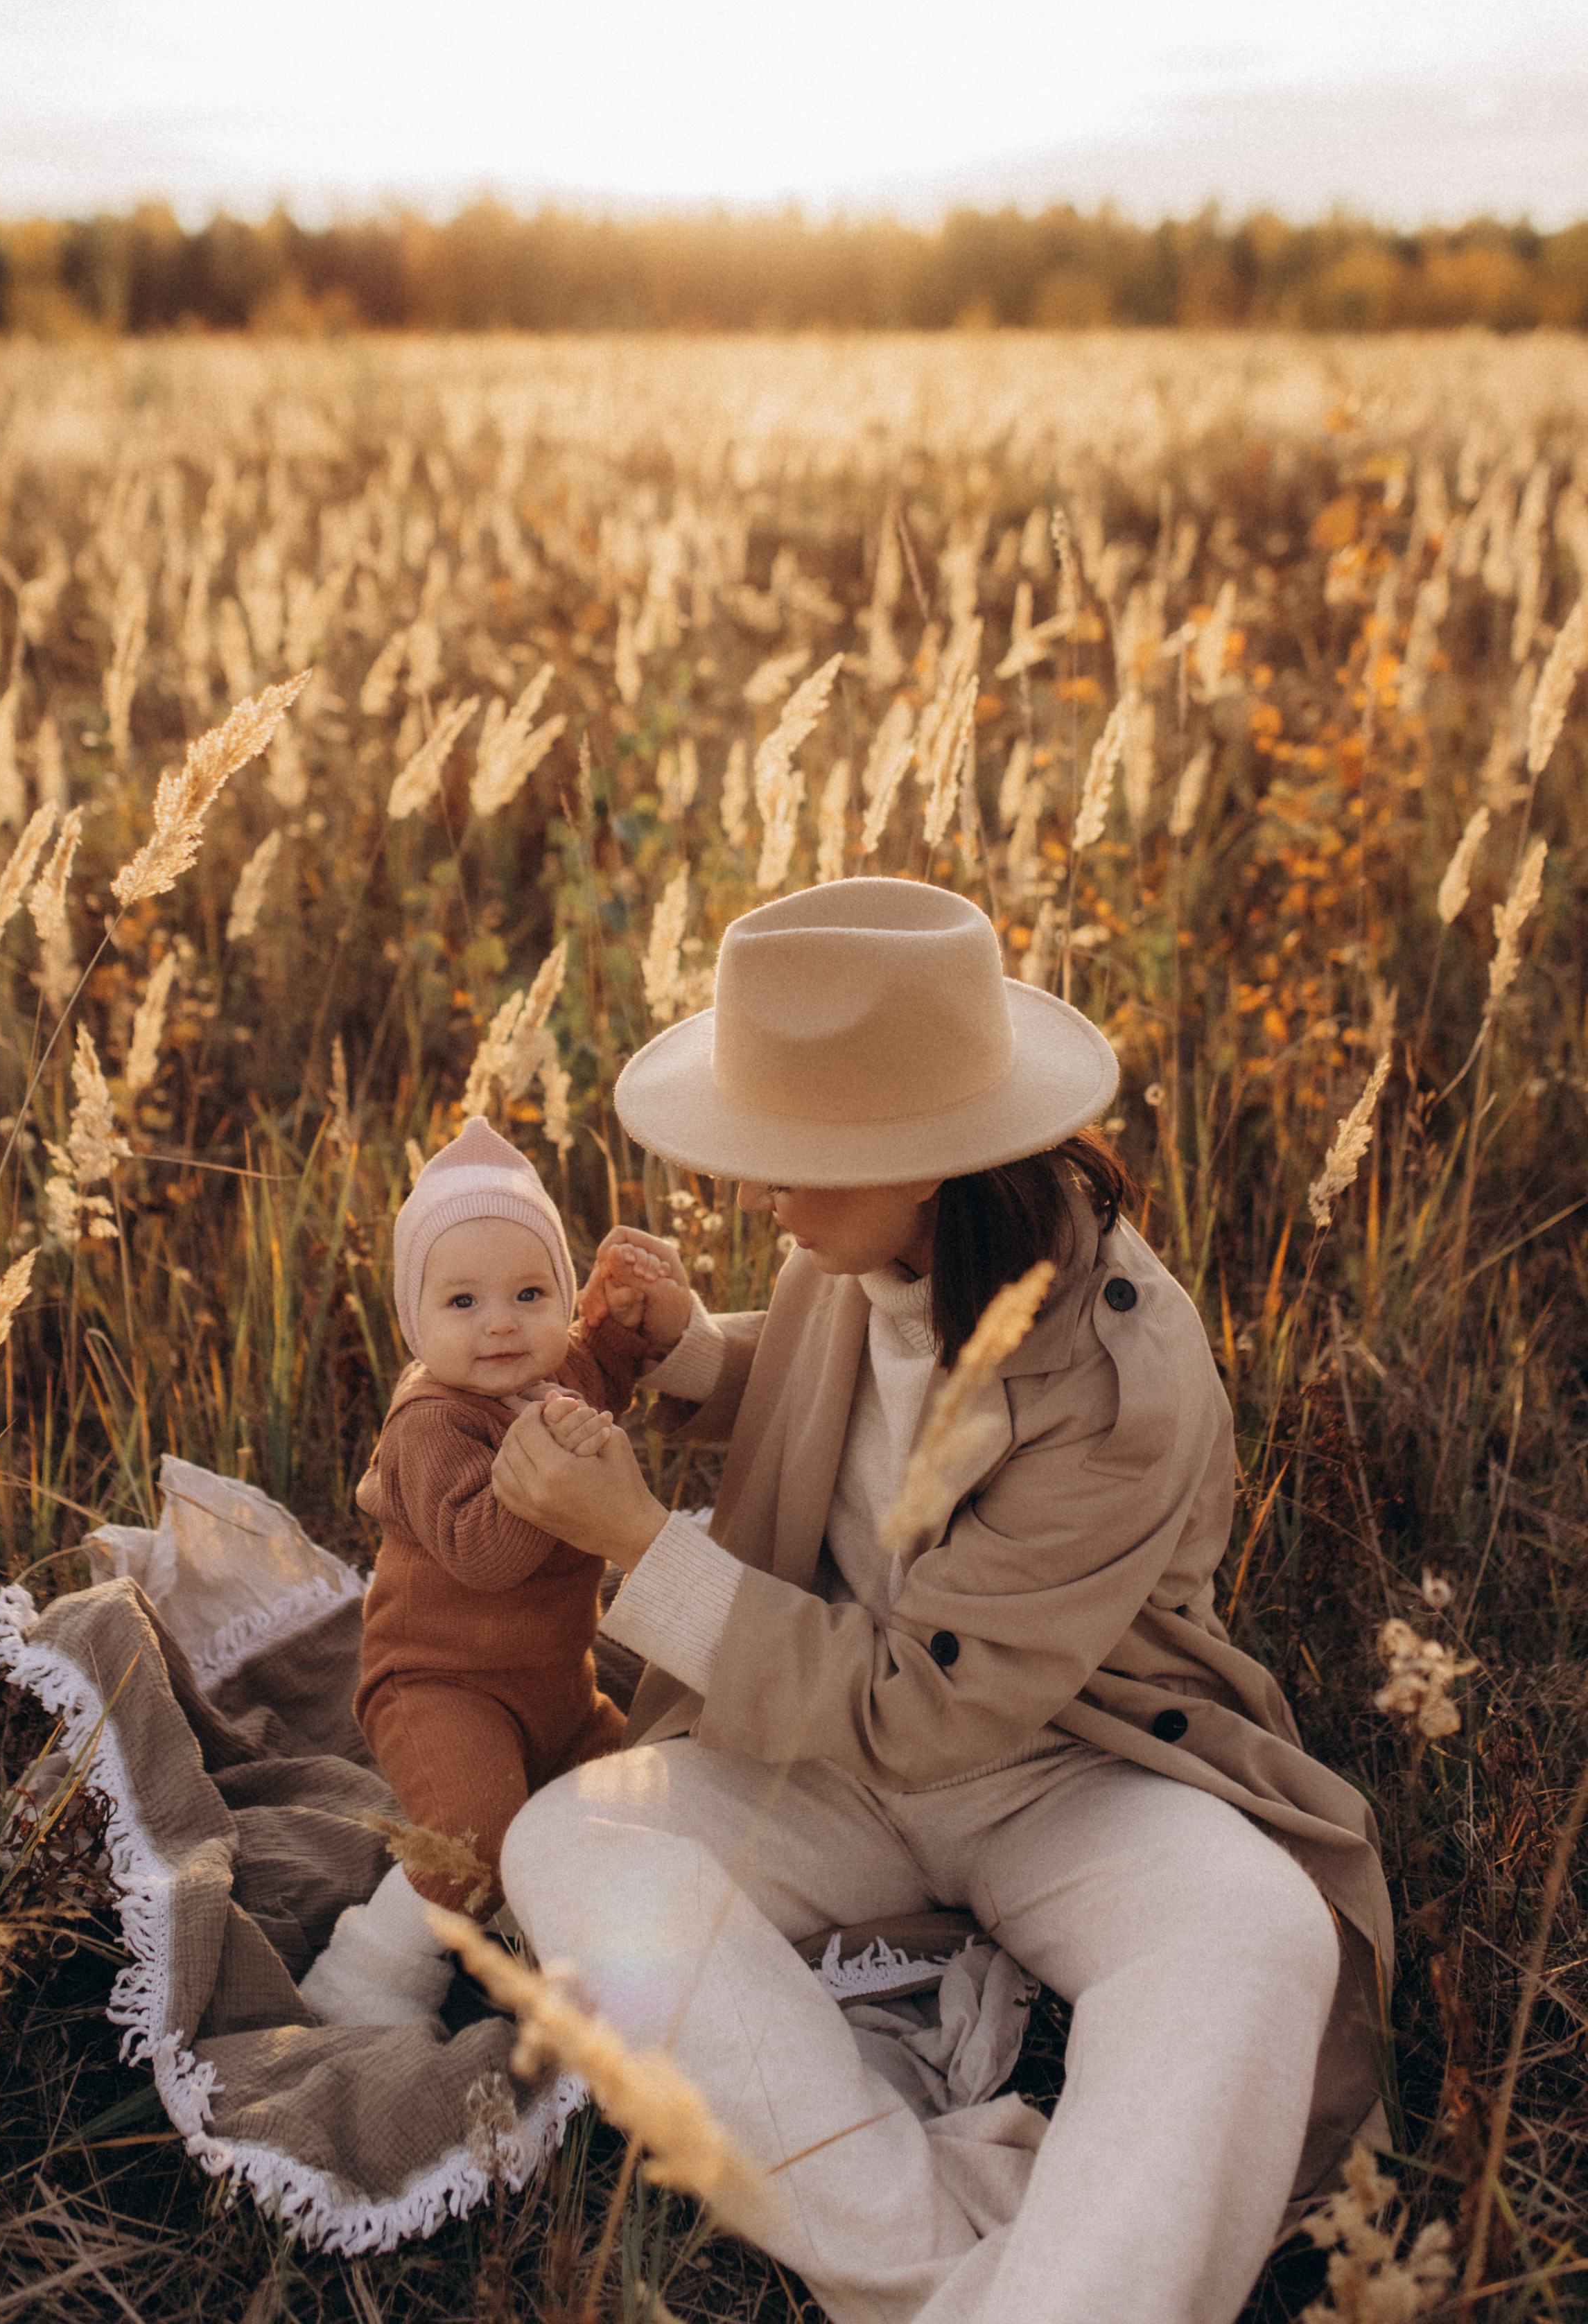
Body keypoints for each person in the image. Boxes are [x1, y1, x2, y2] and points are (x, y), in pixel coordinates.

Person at [487, 877, 1394, 2324]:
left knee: (1255, 1933)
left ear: (922, 1166)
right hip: (834, 1765)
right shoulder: (870, 1246)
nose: (759, 1197)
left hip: (1067, 1767)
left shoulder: (1122, 1385)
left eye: (789, 1164)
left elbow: (928, 1704)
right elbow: (845, 1393)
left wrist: (643, 1548)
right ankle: (953, 2268)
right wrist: (691, 1357)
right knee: (573, 1845)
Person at [298, 1115, 689, 2026]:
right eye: (463, 1302)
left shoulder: (557, 1375)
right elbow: (481, 1556)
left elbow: (606, 1368)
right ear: (416, 1320)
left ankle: (551, 1937)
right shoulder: (432, 1423)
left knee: (640, 1801)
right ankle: (367, 1972)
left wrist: (628, 1316)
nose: (502, 1322)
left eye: (529, 1292)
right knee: (473, 1826)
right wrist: (543, 1455)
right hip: (441, 1682)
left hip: (557, 1688)